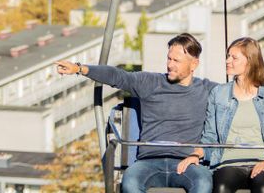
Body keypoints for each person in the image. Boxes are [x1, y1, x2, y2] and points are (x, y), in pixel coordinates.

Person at [55, 33, 215, 193]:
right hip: (149, 162)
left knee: (203, 182)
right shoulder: (151, 83)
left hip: (186, 162)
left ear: (194, 64)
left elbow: (237, 92)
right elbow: (118, 76)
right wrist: (79, 68)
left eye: (176, 61)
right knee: (130, 182)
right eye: (169, 59)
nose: (170, 65)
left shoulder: (207, 90)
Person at [177, 37, 264, 193]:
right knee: (222, 187)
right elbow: (210, 137)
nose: (227, 61)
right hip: (229, 163)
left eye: (234, 57)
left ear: (250, 61)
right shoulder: (219, 94)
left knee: (262, 187)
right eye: (227, 56)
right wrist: (196, 154)